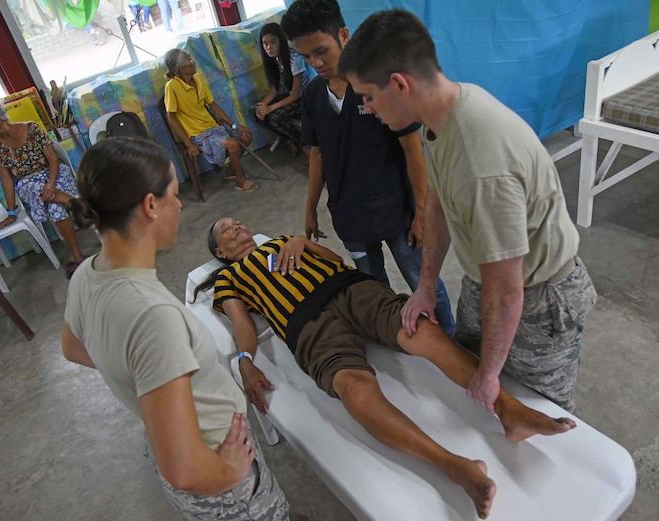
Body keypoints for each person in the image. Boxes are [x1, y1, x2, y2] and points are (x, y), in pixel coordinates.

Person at [195, 217, 577, 520]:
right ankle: (455, 466)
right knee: (353, 389)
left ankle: (508, 410)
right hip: (307, 325)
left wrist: (304, 242)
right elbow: (242, 323)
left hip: (350, 289)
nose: (237, 228)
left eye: (237, 222)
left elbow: (336, 262)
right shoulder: (229, 279)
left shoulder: (280, 242)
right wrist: (244, 361)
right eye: (226, 230)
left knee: (420, 332)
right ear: (220, 252)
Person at [338, 9, 598, 413]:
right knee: (474, 384)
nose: (368, 108)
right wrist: (426, 285)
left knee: (536, 411)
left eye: (368, 97)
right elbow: (438, 205)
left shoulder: (482, 163)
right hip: (488, 283)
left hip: (538, 294)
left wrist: (490, 374)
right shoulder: (442, 118)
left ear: (400, 84)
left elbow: (508, 288)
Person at [61, 139, 289, 521]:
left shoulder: (89, 272)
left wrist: (147, 386)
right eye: (173, 193)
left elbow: (73, 348)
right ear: (151, 206)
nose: (180, 204)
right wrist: (228, 472)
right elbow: (184, 469)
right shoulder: (153, 315)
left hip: (176, 438)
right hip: (216, 464)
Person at [281, 0, 455, 336]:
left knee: (423, 282)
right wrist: (311, 208)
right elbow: (316, 154)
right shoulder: (314, 95)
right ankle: (394, 337)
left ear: (343, 35)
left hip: (396, 212)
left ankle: (450, 337)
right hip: (350, 215)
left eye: (321, 51)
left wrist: (420, 215)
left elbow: (413, 150)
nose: (316, 63)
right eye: (305, 57)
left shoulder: (377, 86)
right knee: (372, 284)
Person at [0, 93, 86, 278]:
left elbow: (53, 159)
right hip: (29, 182)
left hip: (53, 174)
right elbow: (7, 179)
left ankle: (78, 256)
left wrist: (50, 184)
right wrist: (10, 212)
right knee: (34, 188)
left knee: (55, 207)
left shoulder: (31, 128)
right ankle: (82, 206)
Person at [163, 48, 259, 193]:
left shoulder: (198, 78)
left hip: (214, 127)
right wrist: (188, 144)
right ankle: (240, 181)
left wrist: (234, 125)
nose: (193, 62)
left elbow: (213, 105)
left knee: (246, 135)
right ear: (182, 68)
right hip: (198, 134)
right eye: (190, 60)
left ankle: (232, 170)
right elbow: (172, 119)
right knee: (232, 144)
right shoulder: (172, 87)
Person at [255, 22, 316, 157]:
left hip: (308, 100)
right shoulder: (274, 60)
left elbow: (295, 95)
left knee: (275, 118)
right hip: (295, 97)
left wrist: (270, 108)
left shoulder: (294, 59)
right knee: (258, 113)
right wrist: (263, 106)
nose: (269, 47)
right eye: (265, 44)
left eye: (273, 42)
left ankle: (306, 146)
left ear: (281, 41)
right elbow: (273, 89)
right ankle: (291, 140)